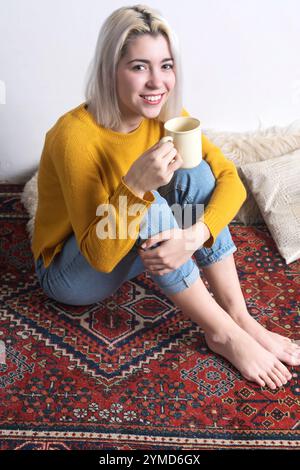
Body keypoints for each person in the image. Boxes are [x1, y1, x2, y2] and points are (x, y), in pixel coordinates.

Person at [32, 4, 300, 389]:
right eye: (139, 66)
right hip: (72, 271)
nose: (157, 82)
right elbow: (99, 256)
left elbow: (230, 180)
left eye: (166, 65)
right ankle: (223, 333)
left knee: (196, 174)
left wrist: (191, 238)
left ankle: (240, 318)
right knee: (152, 207)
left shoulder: (164, 115)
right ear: (111, 70)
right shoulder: (73, 136)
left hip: (137, 249)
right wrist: (137, 186)